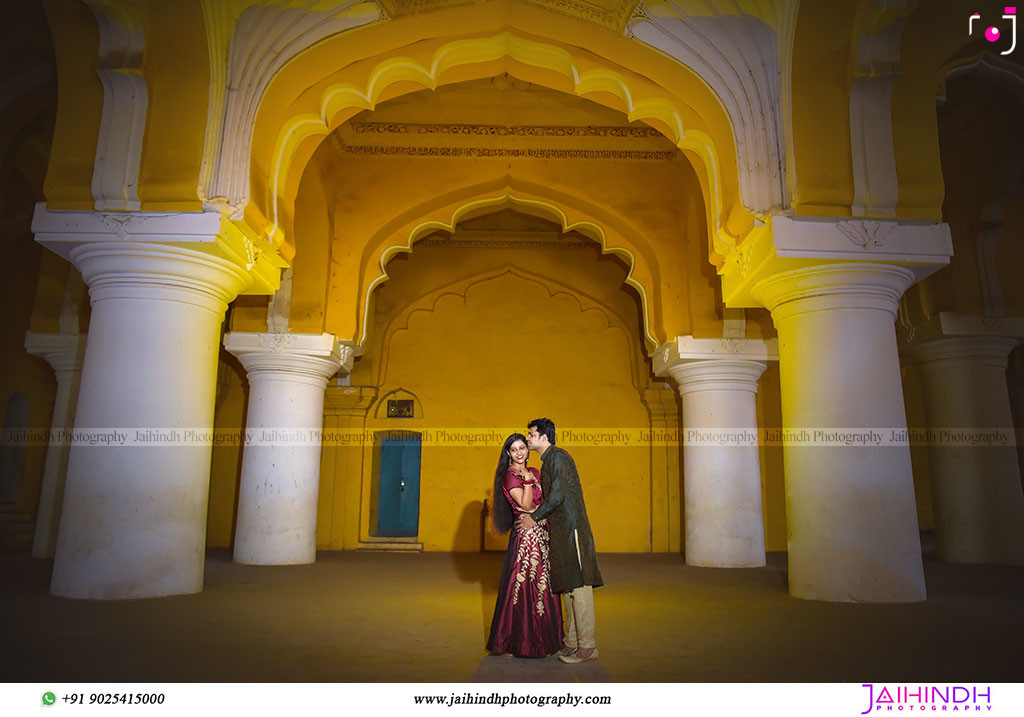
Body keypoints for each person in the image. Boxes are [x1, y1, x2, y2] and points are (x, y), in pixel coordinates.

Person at [517, 417, 603, 664]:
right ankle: (573, 642)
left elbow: (558, 495)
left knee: (580, 586)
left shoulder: (558, 457)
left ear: (544, 437)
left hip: (572, 528)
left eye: (531, 434)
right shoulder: (548, 461)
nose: (528, 438)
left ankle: (588, 645)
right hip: (561, 529)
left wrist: (534, 517)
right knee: (568, 586)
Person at [485, 433, 563, 657]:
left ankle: (546, 640)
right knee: (523, 589)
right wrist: (527, 482)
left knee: (544, 588)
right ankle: (518, 643)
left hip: (541, 536)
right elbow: (527, 503)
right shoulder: (510, 476)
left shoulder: (536, 472)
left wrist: (535, 508)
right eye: (514, 449)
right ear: (508, 454)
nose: (519, 452)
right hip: (525, 542)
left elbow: (546, 503)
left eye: (522, 447)